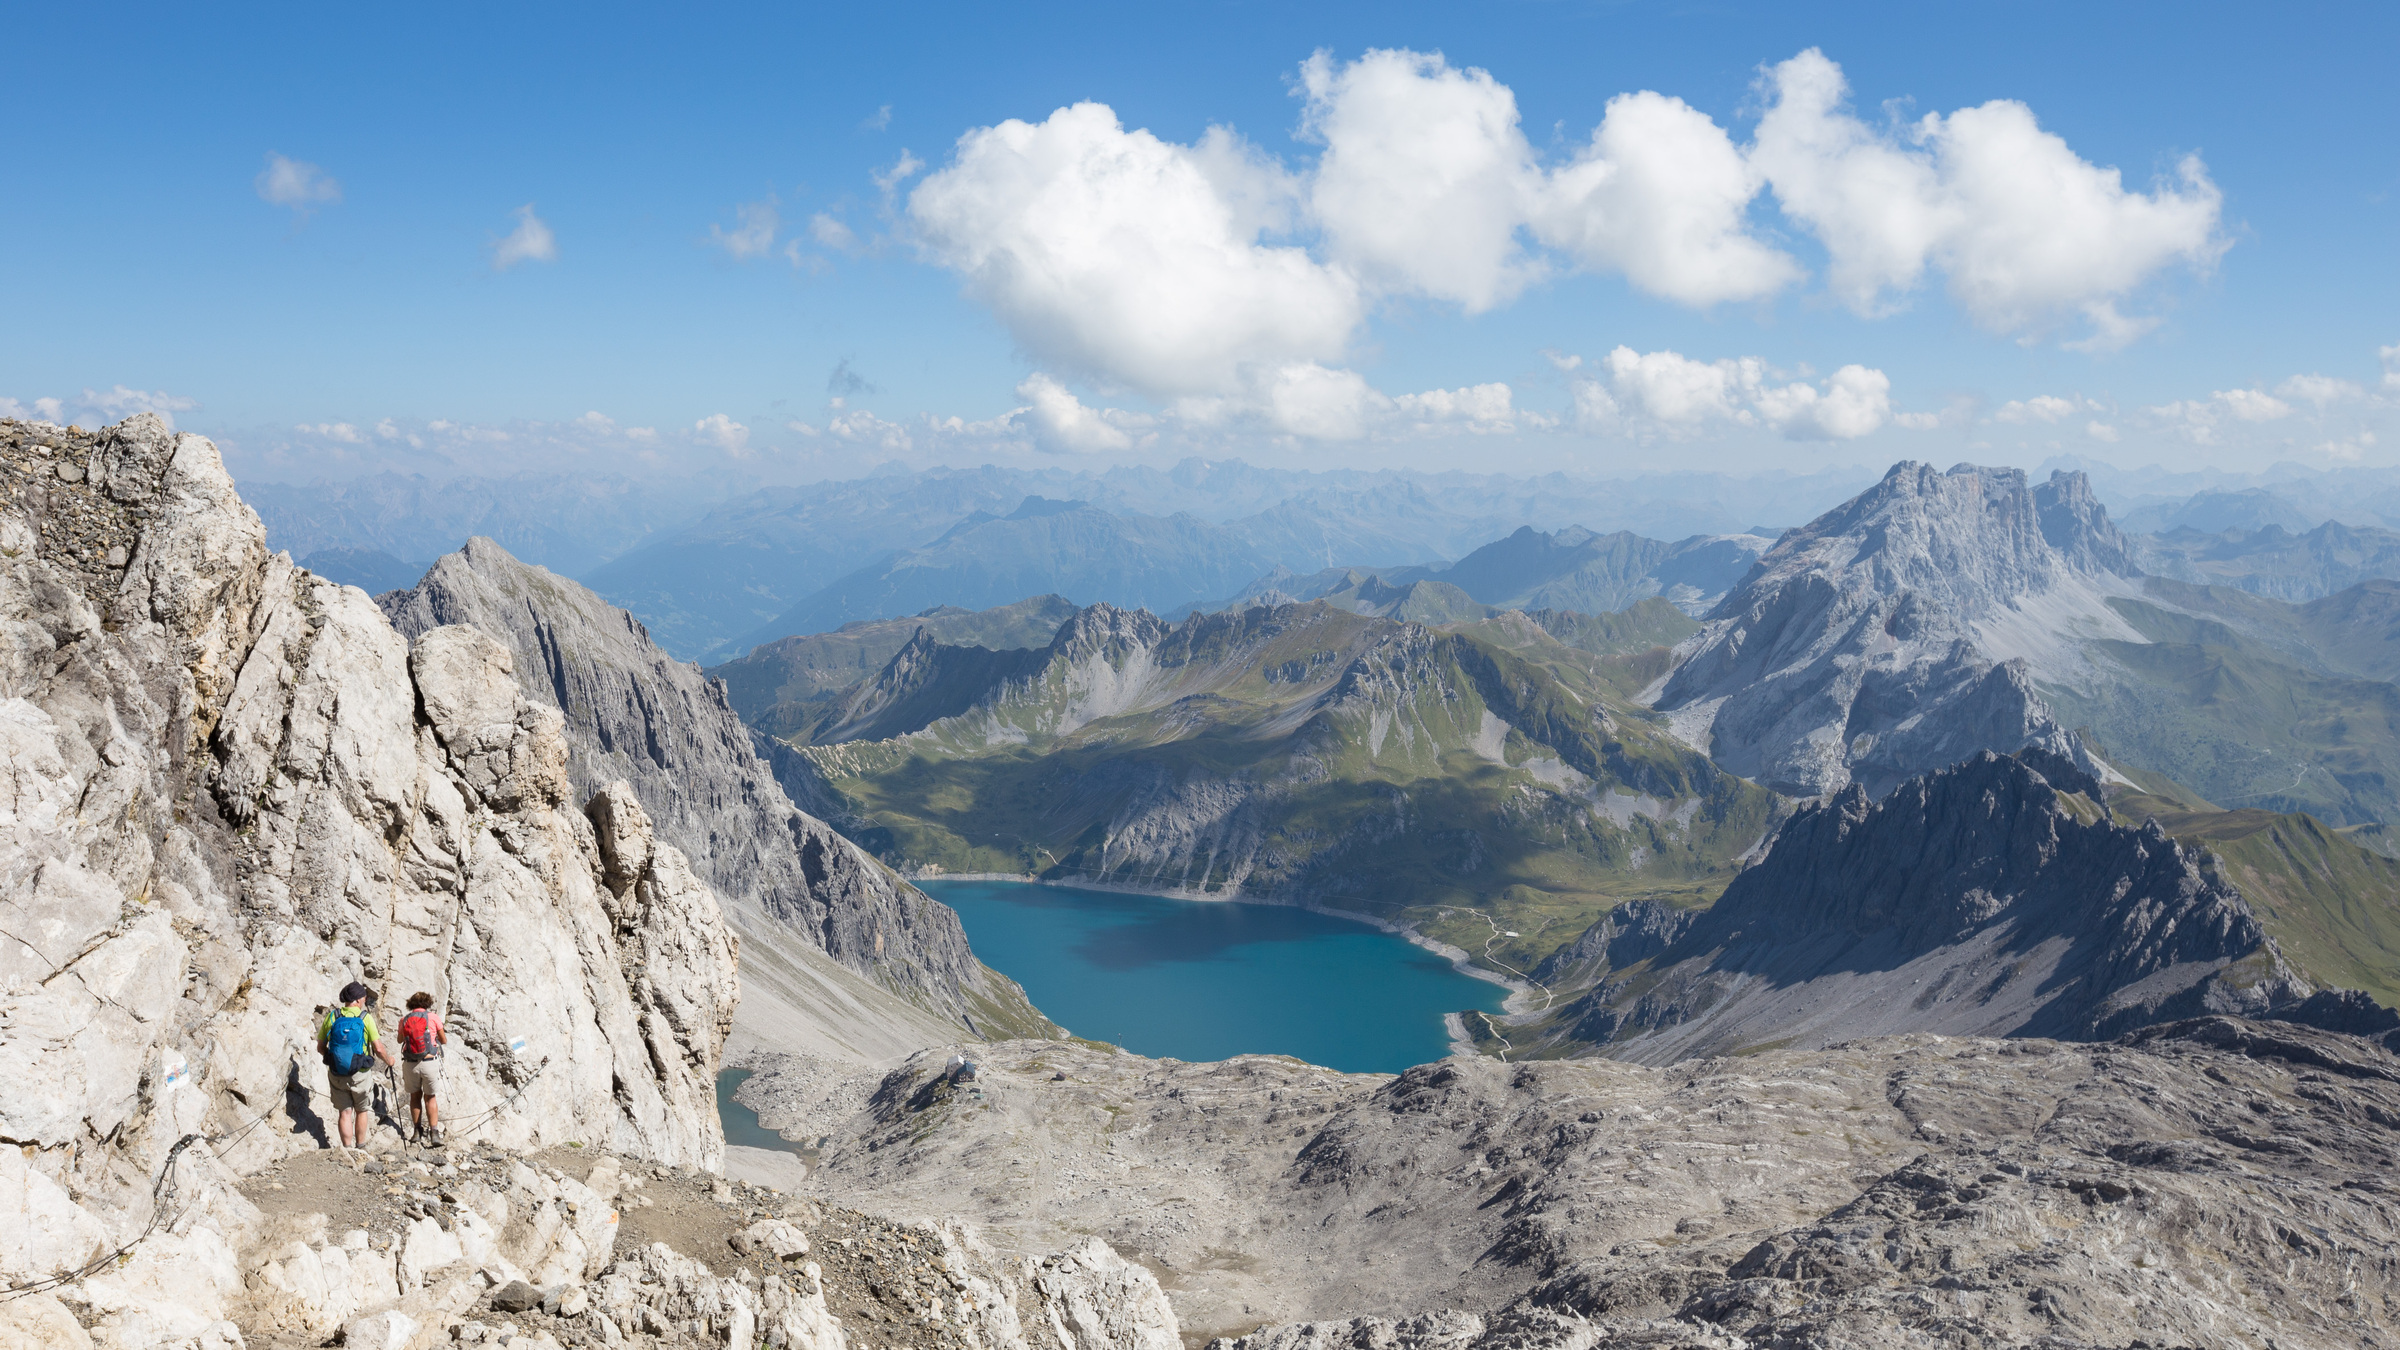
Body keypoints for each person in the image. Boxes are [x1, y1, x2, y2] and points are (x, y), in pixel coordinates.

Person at [318, 981, 397, 1149]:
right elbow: (378, 1048)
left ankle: (347, 1149)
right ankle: (360, 1147)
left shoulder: (333, 1016)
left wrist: (334, 1059)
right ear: (359, 999)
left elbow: (320, 1047)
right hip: (360, 1073)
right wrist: (389, 1060)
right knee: (362, 1110)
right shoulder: (365, 1018)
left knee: (345, 1112)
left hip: (337, 1073)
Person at [397, 991, 448, 1146]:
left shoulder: (404, 1019)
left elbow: (400, 1040)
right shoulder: (433, 1018)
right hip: (429, 1062)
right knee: (430, 1098)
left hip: (411, 1063)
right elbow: (444, 1040)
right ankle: (434, 1133)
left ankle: (417, 1132)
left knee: (414, 1097)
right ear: (428, 1003)